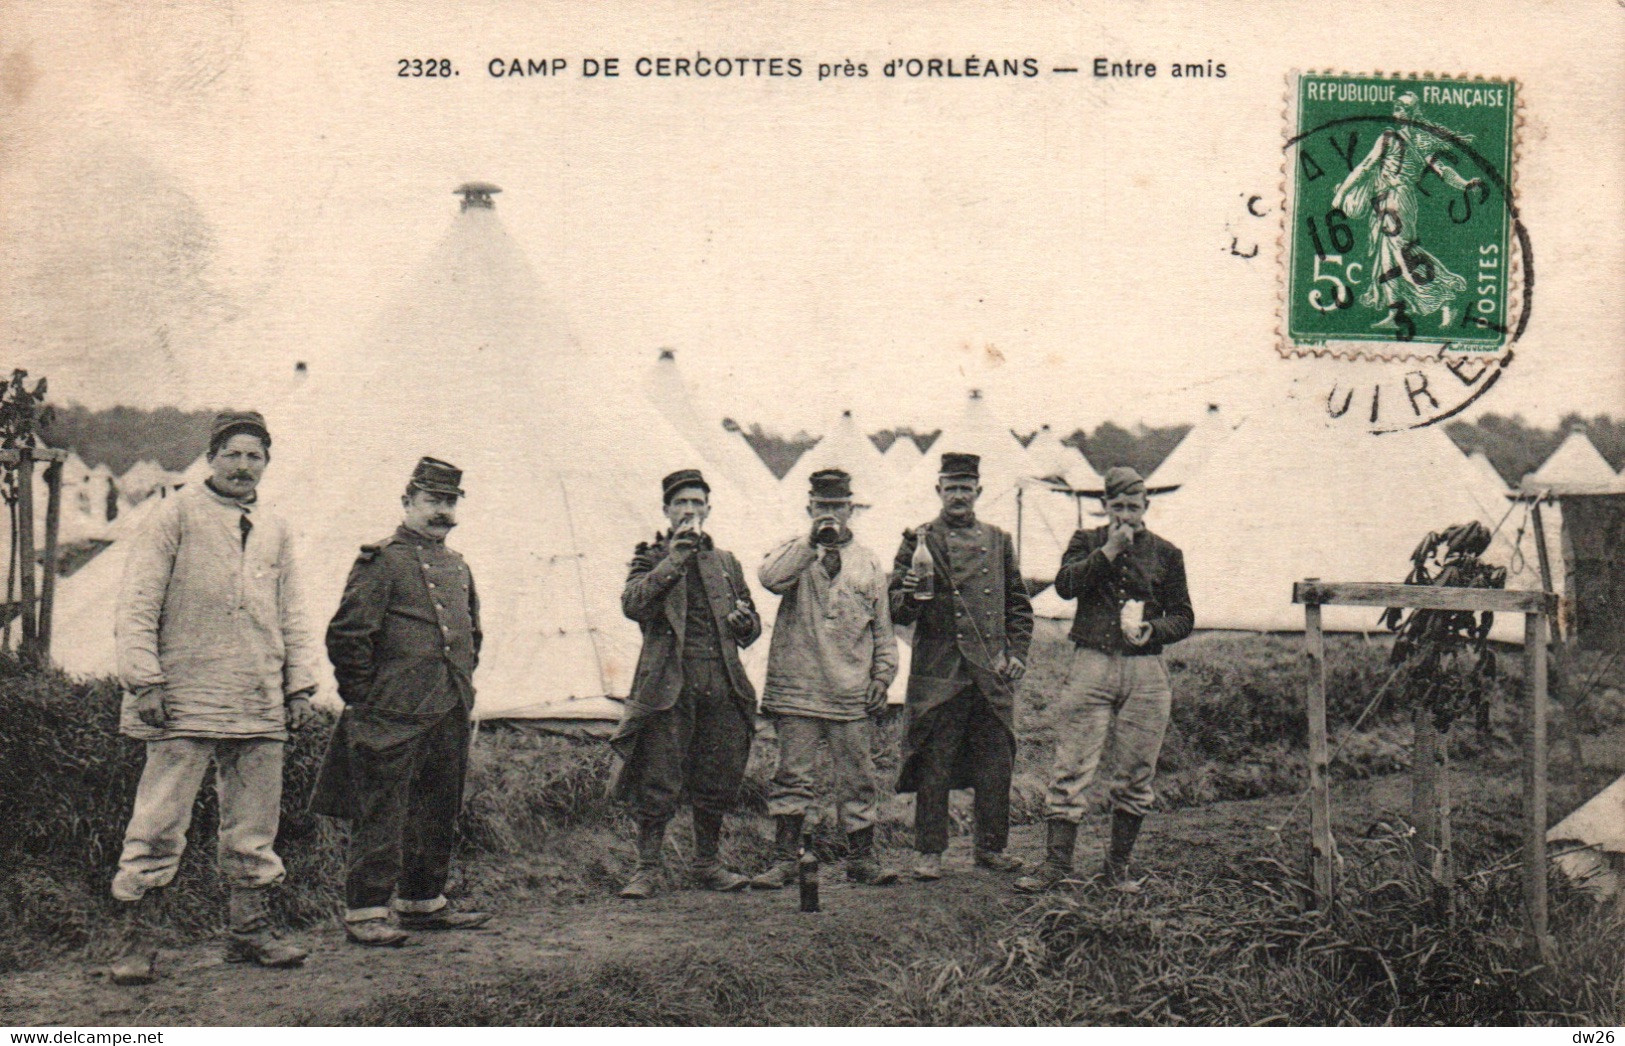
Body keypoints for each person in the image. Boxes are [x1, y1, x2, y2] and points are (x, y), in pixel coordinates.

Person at [109, 410, 318, 985]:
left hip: (256, 695)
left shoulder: (274, 526)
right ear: (211, 457)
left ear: (267, 464)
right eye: (233, 454)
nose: (244, 466)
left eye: (256, 456)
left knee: (254, 824)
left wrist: (298, 686)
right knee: (158, 821)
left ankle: (249, 932)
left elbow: (292, 613)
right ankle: (137, 943)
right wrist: (145, 680)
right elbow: (138, 602)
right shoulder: (173, 515)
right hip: (184, 694)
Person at [311, 457, 491, 945]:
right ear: (407, 502)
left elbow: (471, 635)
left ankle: (422, 903)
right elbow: (348, 635)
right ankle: (366, 912)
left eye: (450, 502)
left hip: (447, 708)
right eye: (432, 500)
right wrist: (365, 700)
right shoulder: (382, 560)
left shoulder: (457, 565)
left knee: (438, 808)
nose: (442, 512)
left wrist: (460, 691)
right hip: (390, 712)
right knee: (382, 811)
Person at [1014, 466, 1193, 894]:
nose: (1126, 514)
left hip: (1146, 670)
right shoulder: (1087, 541)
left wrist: (1156, 630)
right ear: (1105, 507)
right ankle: (1056, 865)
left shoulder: (1168, 553)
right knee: (1072, 765)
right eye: (1118, 506)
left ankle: (1118, 869)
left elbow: (1185, 616)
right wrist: (1109, 551)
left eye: (1134, 506)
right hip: (1091, 663)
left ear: (1147, 506)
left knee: (1135, 773)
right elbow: (1064, 586)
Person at [610, 469, 762, 899]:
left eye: (697, 503)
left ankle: (706, 864)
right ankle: (647, 869)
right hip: (668, 686)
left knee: (716, 776)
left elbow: (750, 629)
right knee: (658, 776)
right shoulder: (649, 556)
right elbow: (633, 605)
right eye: (681, 504)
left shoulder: (727, 562)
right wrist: (674, 560)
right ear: (666, 511)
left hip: (721, 682)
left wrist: (744, 622)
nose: (690, 511)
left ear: (708, 509)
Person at [752, 469, 900, 889]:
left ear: (852, 509)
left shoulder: (869, 560)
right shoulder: (793, 553)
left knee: (857, 776)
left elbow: (883, 631)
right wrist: (810, 541)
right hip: (797, 687)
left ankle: (862, 858)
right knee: (793, 775)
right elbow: (769, 579)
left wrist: (881, 678)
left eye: (838, 507)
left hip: (851, 690)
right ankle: (784, 859)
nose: (830, 515)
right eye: (822, 507)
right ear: (809, 508)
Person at [890, 452, 1032, 880]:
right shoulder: (917, 539)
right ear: (938, 490)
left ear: (978, 492)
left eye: (965, 488)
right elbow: (897, 608)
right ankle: (929, 852)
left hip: (990, 672)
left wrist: (1017, 654)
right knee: (935, 760)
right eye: (950, 487)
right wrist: (911, 594)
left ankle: (991, 848)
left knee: (995, 762)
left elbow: (1019, 608)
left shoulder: (999, 539)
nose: (958, 496)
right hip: (939, 672)